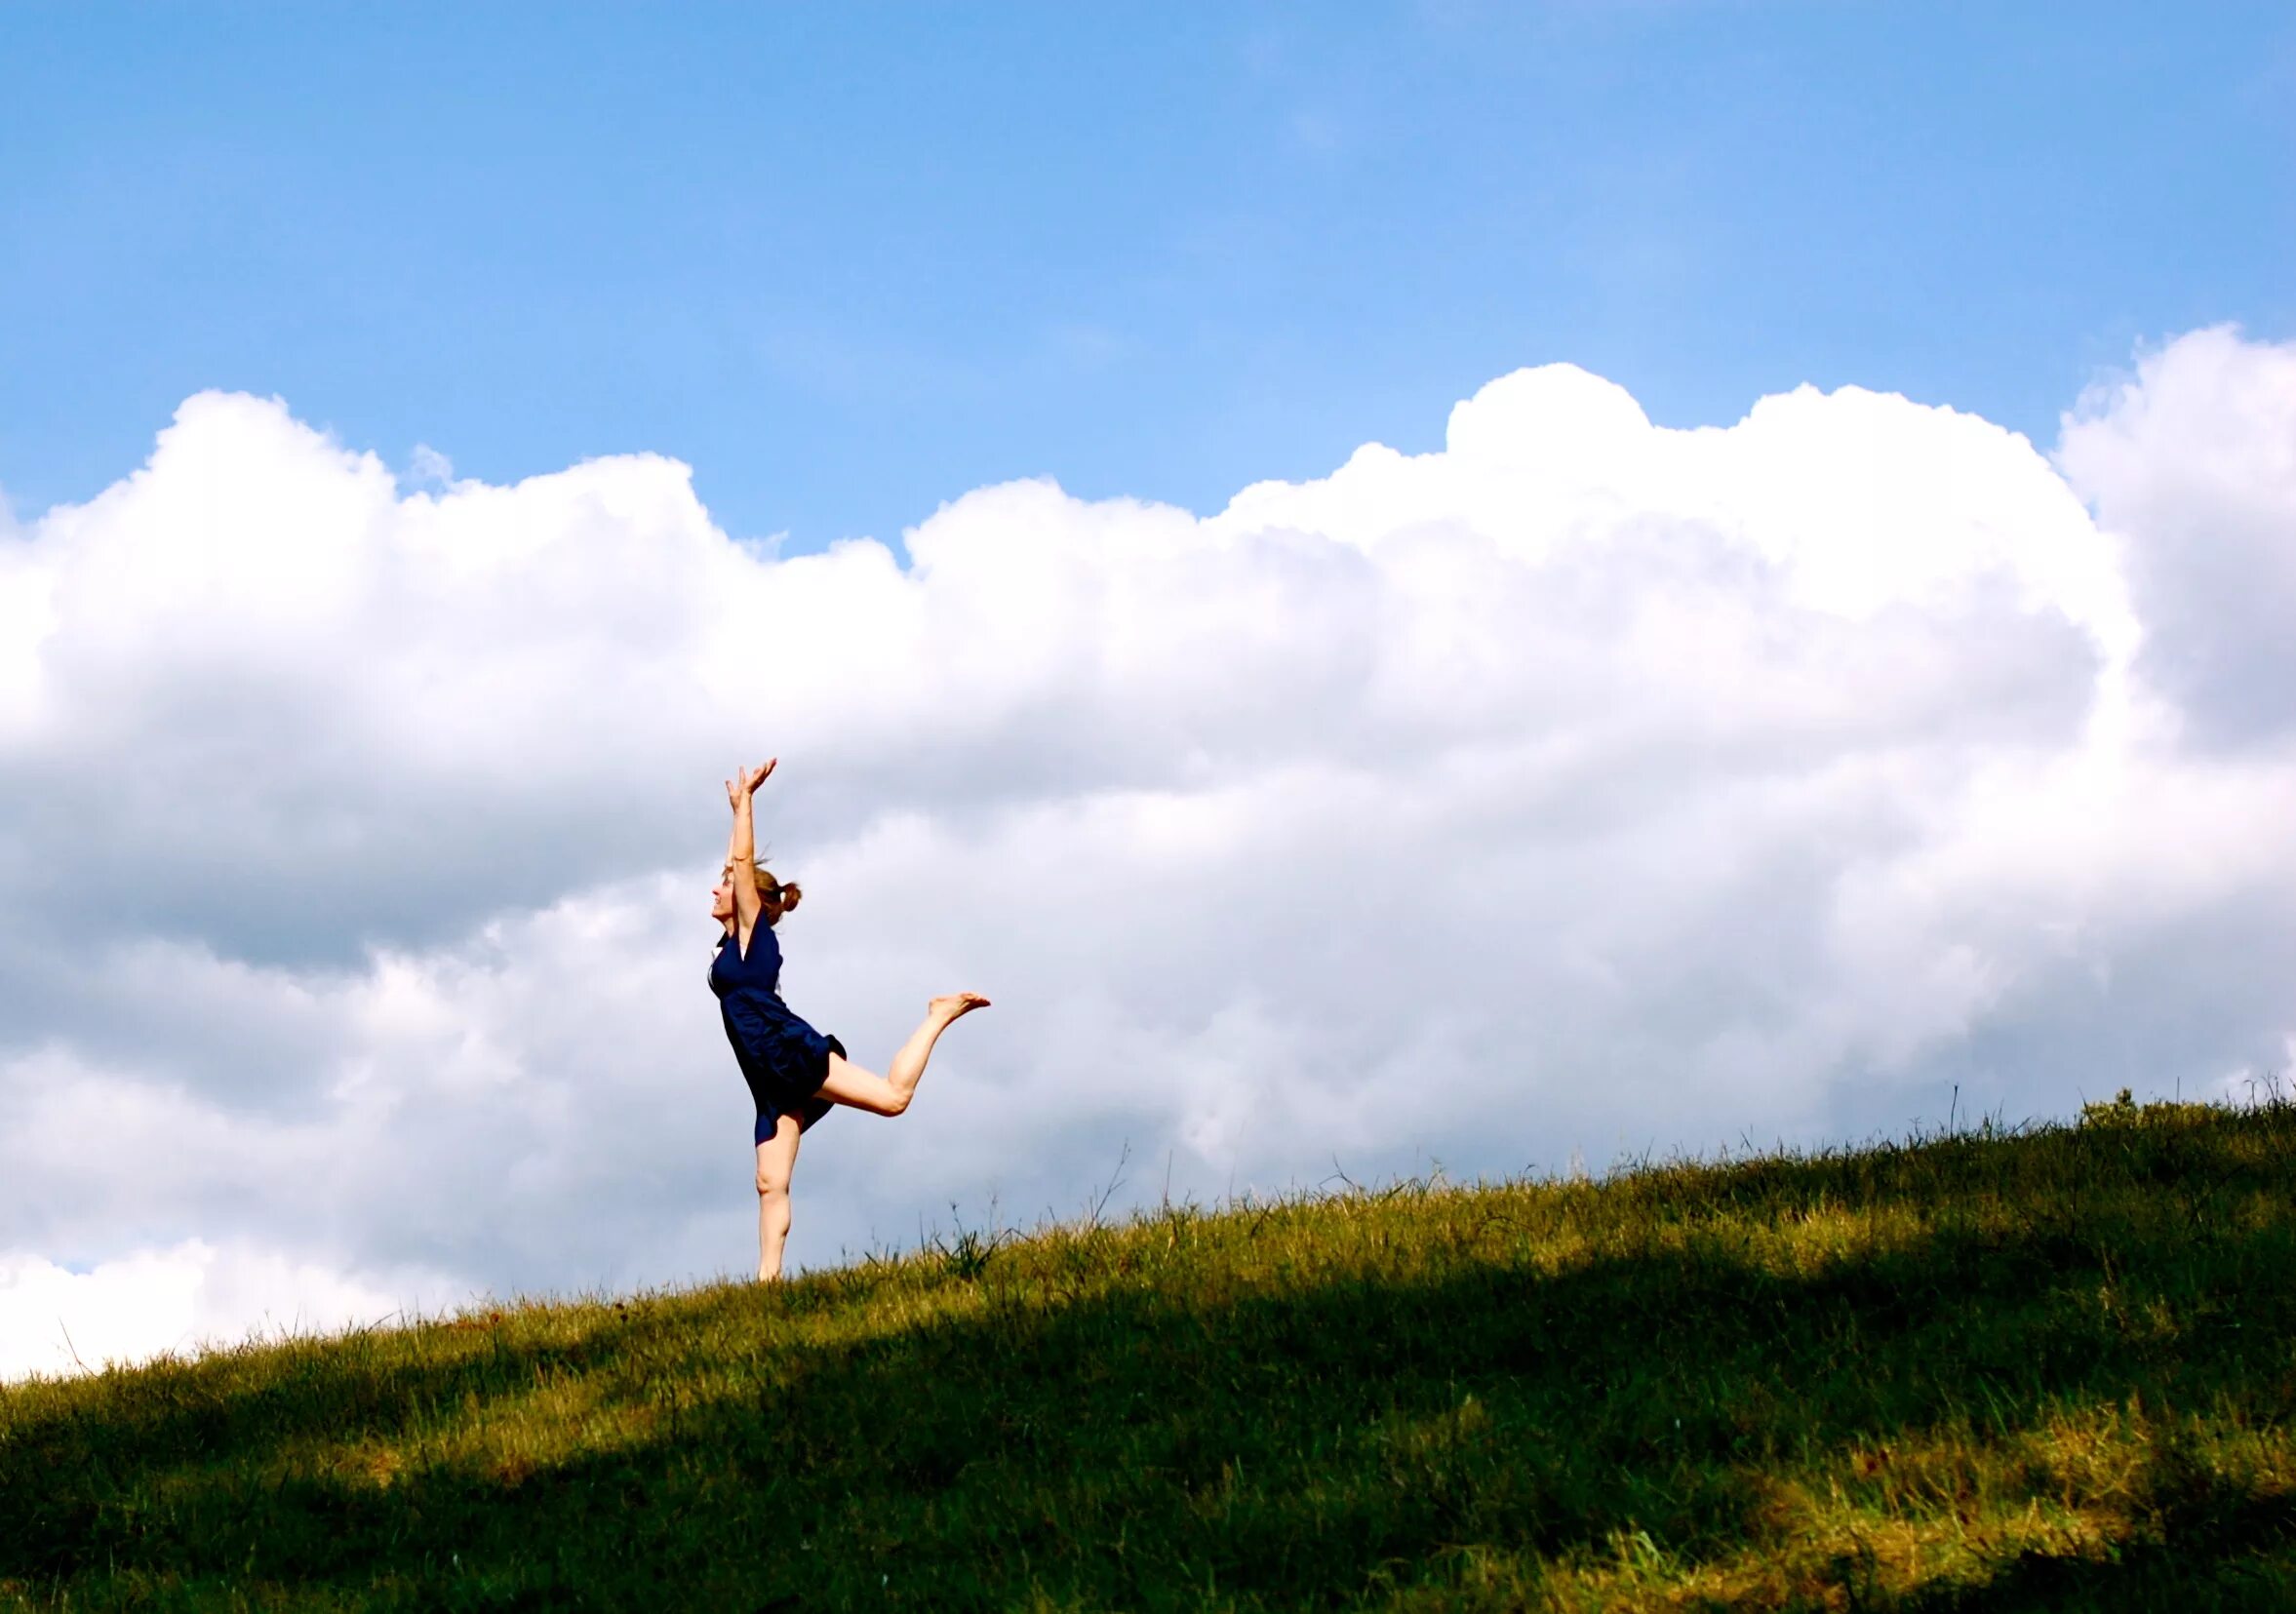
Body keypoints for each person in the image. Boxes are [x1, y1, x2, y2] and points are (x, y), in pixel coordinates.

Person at [709, 759, 989, 1280]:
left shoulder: (755, 936)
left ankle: (938, 1015)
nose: (715, 890)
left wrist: (747, 804)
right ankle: (766, 1287)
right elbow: (736, 863)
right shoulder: (731, 942)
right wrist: (734, 814)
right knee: (770, 1182)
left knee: (893, 1100)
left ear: (750, 900)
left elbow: (742, 863)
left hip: (789, 1050)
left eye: (723, 886)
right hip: (767, 1074)